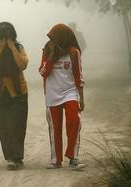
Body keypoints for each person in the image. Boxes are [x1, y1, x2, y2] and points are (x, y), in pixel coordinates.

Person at [39, 24, 85, 170]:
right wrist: (51, 56)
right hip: (52, 94)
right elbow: (42, 72)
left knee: (75, 120)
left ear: (63, 38)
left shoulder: (73, 52)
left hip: (70, 92)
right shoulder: (47, 50)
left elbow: (78, 76)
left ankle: (73, 155)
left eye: (54, 38)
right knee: (55, 128)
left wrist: (81, 98)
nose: (51, 41)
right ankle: (56, 160)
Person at [0, 22, 29, 170]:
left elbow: (22, 64)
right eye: (2, 37)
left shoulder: (18, 47)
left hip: (18, 93)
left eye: (8, 37)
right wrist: (1, 48)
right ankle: (10, 157)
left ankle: (17, 157)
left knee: (16, 126)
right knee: (3, 127)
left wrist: (11, 47)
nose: (5, 39)